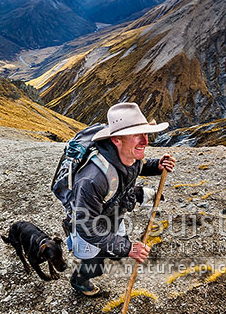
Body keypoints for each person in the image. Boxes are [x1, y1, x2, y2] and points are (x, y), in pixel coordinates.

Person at [68, 102, 176, 296]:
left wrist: (157, 166)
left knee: (115, 248)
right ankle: (79, 281)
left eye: (146, 134)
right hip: (89, 225)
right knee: (96, 265)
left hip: (113, 213)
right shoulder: (91, 180)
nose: (145, 141)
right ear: (116, 139)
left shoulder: (129, 155)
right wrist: (128, 248)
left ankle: (112, 250)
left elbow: (138, 166)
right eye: (137, 135)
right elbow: (87, 226)